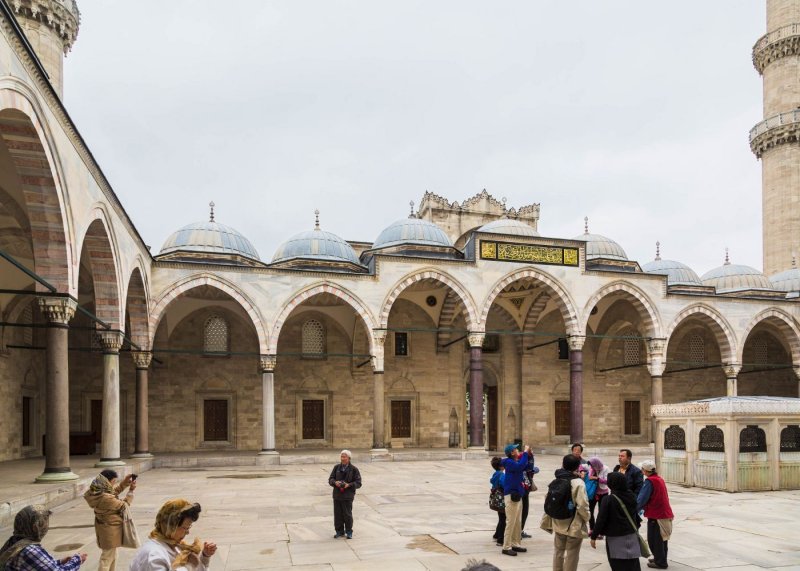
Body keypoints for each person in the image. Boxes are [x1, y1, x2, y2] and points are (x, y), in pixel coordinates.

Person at [128, 499, 217, 571]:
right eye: (185, 528)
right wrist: (189, 565)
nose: (187, 532)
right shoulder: (154, 556)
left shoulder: (173, 544)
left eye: (189, 528)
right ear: (170, 526)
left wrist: (205, 556)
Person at [540, 454, 590, 571]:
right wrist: (587, 518)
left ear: (563, 464)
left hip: (558, 521)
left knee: (558, 551)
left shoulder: (557, 479)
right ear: (577, 467)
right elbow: (582, 505)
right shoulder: (578, 483)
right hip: (573, 523)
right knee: (572, 553)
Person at [0, 504, 87, 570]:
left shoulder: (14, 541)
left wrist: (60, 562)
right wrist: (77, 559)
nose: (46, 526)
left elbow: (38, 565)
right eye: (43, 523)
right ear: (35, 527)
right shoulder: (30, 550)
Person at [83, 470, 136, 571]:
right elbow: (124, 506)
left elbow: (112, 492)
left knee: (113, 556)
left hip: (105, 528)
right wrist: (131, 491)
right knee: (106, 558)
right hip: (110, 530)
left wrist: (124, 483)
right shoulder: (105, 498)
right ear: (107, 481)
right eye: (113, 482)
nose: (113, 484)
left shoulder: (96, 491)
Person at [590, 472, 642, 571]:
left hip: (615, 538)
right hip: (631, 535)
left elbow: (601, 519)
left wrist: (594, 536)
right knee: (633, 564)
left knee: (618, 565)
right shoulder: (631, 496)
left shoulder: (608, 499)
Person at [637, 460, 674, 570]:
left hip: (657, 515)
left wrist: (633, 510)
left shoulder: (650, 481)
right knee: (662, 539)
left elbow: (641, 499)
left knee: (654, 540)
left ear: (645, 471)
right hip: (664, 514)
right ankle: (660, 558)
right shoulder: (659, 479)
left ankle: (661, 562)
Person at [500, 443, 531, 556]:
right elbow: (520, 467)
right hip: (511, 495)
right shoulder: (509, 462)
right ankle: (506, 547)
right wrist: (526, 453)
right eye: (516, 449)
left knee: (517, 521)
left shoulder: (515, 461)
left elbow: (525, 465)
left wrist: (527, 454)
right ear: (512, 452)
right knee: (511, 521)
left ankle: (515, 543)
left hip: (518, 494)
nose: (518, 450)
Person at [328, 449, 362, 539]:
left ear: (349, 458)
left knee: (347, 514)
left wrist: (349, 485)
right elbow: (330, 479)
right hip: (337, 495)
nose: (342, 458)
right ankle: (339, 531)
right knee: (338, 514)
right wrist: (335, 483)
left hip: (348, 496)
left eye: (344, 457)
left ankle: (349, 531)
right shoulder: (336, 468)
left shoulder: (354, 469)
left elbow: (358, 483)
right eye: (341, 457)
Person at [519, 444, 540, 539]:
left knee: (525, 510)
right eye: (528, 449)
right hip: (521, 487)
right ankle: (517, 531)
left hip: (526, 487)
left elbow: (529, 469)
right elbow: (522, 467)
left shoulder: (530, 457)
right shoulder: (521, 456)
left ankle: (520, 530)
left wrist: (532, 471)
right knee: (521, 510)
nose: (530, 450)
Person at [587, 456, 610, 533]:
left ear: (597, 464)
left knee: (602, 513)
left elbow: (608, 481)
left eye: (593, 465)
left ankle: (600, 531)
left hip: (603, 493)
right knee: (590, 511)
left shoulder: (606, 469)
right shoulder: (592, 469)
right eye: (591, 465)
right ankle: (592, 528)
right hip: (593, 493)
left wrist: (597, 478)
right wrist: (582, 471)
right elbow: (581, 466)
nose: (592, 467)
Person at [489, 457, 506, 546]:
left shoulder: (495, 474)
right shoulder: (501, 475)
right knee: (504, 518)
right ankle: (501, 539)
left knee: (501, 517)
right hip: (502, 500)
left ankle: (496, 534)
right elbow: (504, 485)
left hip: (496, 499)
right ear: (501, 466)